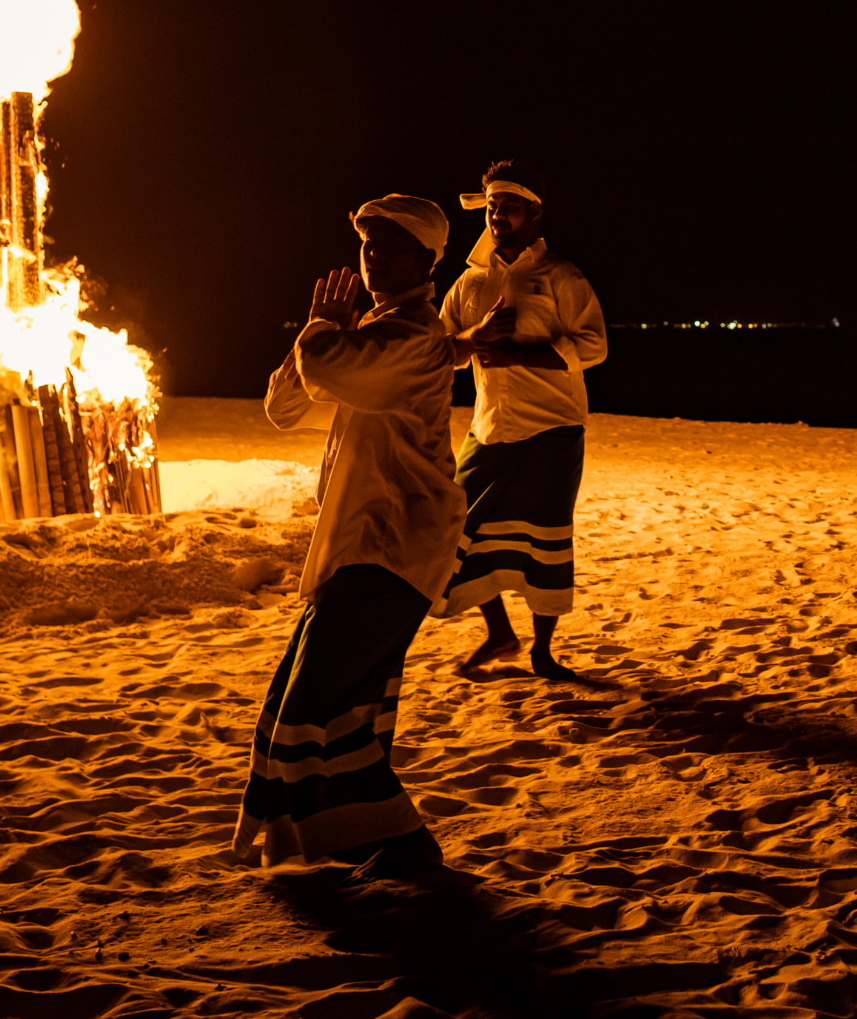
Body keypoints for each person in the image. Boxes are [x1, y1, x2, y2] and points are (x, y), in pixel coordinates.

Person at [233, 195, 464, 880]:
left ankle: (400, 841)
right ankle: (373, 842)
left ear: (427, 261)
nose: (374, 257)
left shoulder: (416, 334)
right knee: (323, 699)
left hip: (395, 546)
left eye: (391, 247)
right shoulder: (371, 330)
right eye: (368, 245)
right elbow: (283, 406)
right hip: (363, 544)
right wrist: (324, 328)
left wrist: (323, 329)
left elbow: (326, 368)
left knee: (315, 701)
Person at [435, 160, 607, 682]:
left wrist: (518, 356)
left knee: (546, 542)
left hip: (552, 431)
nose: (497, 216)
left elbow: (594, 346)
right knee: (452, 530)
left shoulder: (561, 276)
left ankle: (542, 651)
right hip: (488, 430)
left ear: (534, 212)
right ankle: (499, 632)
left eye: (508, 207)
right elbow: (441, 351)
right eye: (491, 207)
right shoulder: (468, 285)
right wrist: (475, 339)